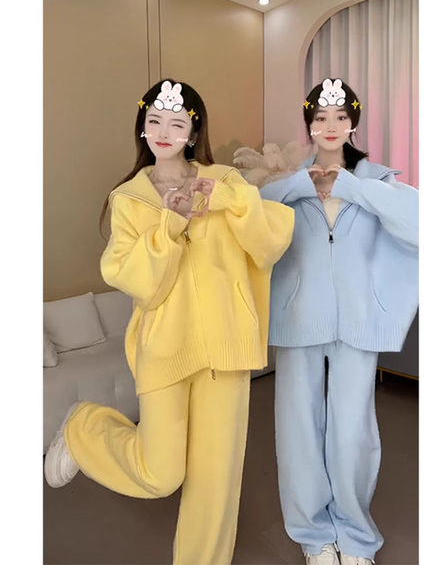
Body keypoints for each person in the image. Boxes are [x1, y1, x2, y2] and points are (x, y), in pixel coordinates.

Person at [44, 79, 294, 565]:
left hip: (226, 347)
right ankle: (84, 427)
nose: (163, 131)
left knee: (216, 480)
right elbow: (140, 283)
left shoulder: (226, 182)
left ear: (192, 132)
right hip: (164, 349)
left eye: (176, 123)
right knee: (160, 473)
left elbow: (269, 244)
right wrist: (171, 224)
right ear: (142, 127)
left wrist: (228, 202)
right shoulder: (129, 200)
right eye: (154, 120)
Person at [260, 78, 418, 565]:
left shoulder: (379, 181)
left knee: (353, 433)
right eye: (320, 118)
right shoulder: (287, 184)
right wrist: (301, 185)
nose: (331, 126)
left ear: (353, 123)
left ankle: (355, 537)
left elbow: (423, 226)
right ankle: (313, 536)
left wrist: (349, 186)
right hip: (296, 319)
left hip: (358, 323)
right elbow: (252, 215)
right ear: (309, 124)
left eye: (341, 117)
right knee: (299, 431)